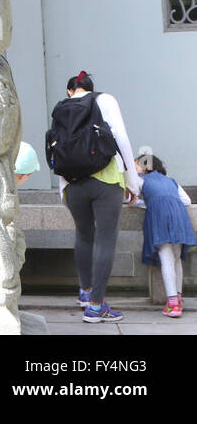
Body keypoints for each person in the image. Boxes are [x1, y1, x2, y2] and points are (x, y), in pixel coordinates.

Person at [54, 71, 141, 324]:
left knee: (83, 234)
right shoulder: (105, 100)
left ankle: (85, 292)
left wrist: (63, 187)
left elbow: (59, 147)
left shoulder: (61, 107)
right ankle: (95, 306)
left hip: (72, 183)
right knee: (105, 239)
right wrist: (132, 182)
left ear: (71, 90)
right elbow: (121, 139)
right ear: (91, 88)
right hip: (106, 180)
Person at [133, 151, 195, 317]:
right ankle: (178, 299)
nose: (134, 168)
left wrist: (147, 203)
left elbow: (130, 200)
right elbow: (187, 201)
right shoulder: (171, 181)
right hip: (179, 216)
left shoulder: (139, 180)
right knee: (176, 258)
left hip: (160, 217)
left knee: (166, 257)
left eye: (136, 164)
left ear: (145, 168)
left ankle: (173, 305)